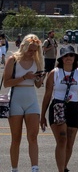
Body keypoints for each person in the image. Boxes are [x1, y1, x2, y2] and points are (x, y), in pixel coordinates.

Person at [41, 45, 78, 172]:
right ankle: (60, 170)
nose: (68, 58)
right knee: (62, 139)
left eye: (71, 55)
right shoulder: (55, 73)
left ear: (75, 58)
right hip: (58, 105)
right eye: (65, 56)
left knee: (70, 141)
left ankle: (64, 167)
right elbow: (47, 94)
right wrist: (42, 115)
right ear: (61, 59)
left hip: (73, 107)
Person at [4, 32, 44, 172]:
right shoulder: (12, 60)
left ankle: (35, 168)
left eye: (35, 51)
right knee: (16, 138)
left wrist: (39, 80)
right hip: (15, 98)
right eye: (30, 50)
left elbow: (38, 85)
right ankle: (14, 168)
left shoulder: (37, 61)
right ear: (23, 47)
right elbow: (7, 83)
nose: (31, 53)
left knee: (33, 136)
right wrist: (24, 77)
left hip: (31, 99)